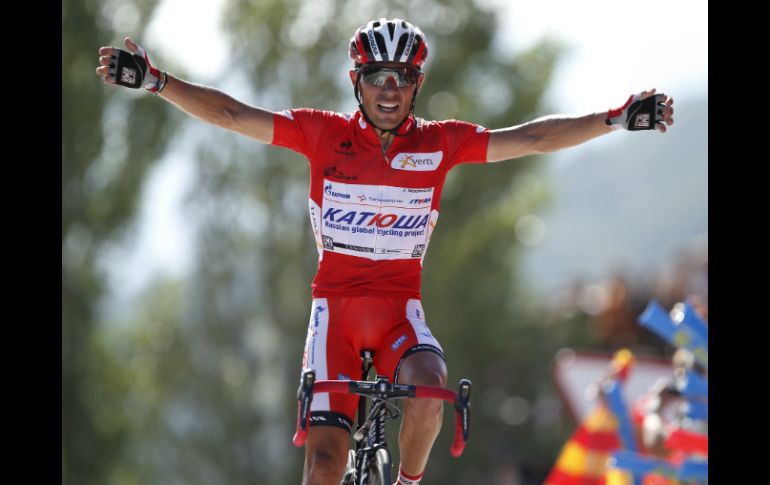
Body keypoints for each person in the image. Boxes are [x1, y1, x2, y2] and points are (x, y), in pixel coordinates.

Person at [96, 18, 674, 485]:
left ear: (417, 84)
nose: (389, 90)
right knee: (324, 468)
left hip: (400, 314)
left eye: (403, 77)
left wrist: (615, 119)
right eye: (377, 76)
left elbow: (532, 137)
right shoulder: (322, 134)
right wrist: (156, 81)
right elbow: (232, 114)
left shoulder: (440, 142)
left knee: (430, 388)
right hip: (335, 317)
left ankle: (408, 482)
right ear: (357, 80)